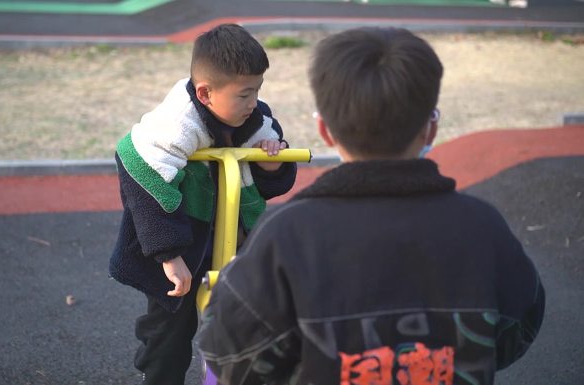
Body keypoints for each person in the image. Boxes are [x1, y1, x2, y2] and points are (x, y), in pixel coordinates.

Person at [197, 27, 545, 385]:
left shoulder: (284, 236)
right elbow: (518, 327)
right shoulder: (482, 226)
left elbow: (230, 354)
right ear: (431, 129)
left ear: (326, 130)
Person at [108, 23, 297, 385]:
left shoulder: (254, 117)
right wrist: (168, 254)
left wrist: (271, 163)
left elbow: (269, 182)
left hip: (225, 231)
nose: (253, 102)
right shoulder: (175, 123)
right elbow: (141, 169)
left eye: (257, 90)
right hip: (177, 233)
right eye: (244, 94)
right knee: (169, 330)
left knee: (243, 314)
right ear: (205, 93)